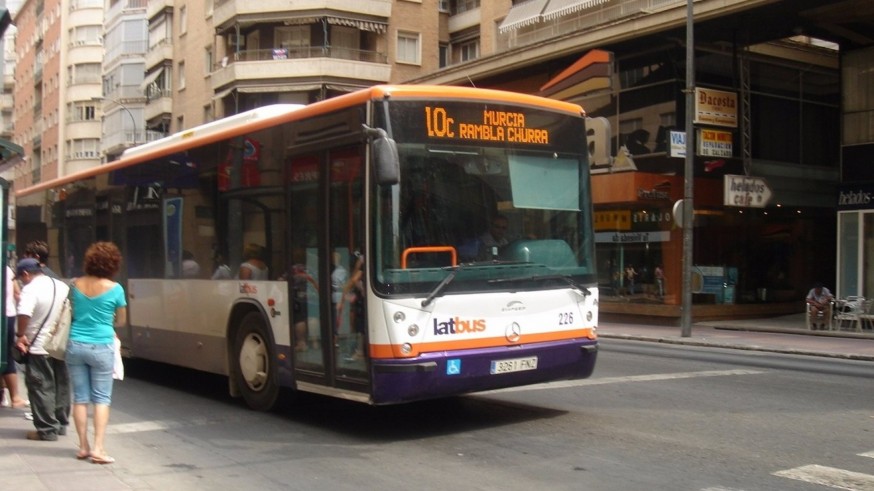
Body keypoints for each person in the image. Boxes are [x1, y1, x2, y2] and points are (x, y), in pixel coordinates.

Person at [66, 242, 127, 464]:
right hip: (102, 344)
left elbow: (71, 312)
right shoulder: (116, 289)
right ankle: (98, 448)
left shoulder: (75, 285)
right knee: (101, 398)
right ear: (113, 264)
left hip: (75, 343)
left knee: (80, 398)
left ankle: (83, 446)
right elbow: (121, 321)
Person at [14, 257, 71, 441]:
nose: (22, 281)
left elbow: (24, 314)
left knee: (41, 388)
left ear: (25, 274)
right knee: (60, 385)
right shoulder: (60, 285)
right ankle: (61, 424)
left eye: (21, 278)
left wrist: (20, 334)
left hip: (37, 347)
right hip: (58, 344)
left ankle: (46, 430)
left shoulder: (30, 289)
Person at [2, 264, 27, 409]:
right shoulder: (6, 268)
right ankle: (14, 397)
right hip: (7, 315)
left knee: (4, 356)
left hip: (6, 315)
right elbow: (17, 293)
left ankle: (9, 396)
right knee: (6, 356)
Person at [340, 251, 366, 361]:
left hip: (362, 303)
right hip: (361, 301)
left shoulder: (359, 273)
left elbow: (352, 282)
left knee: (361, 328)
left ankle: (360, 352)